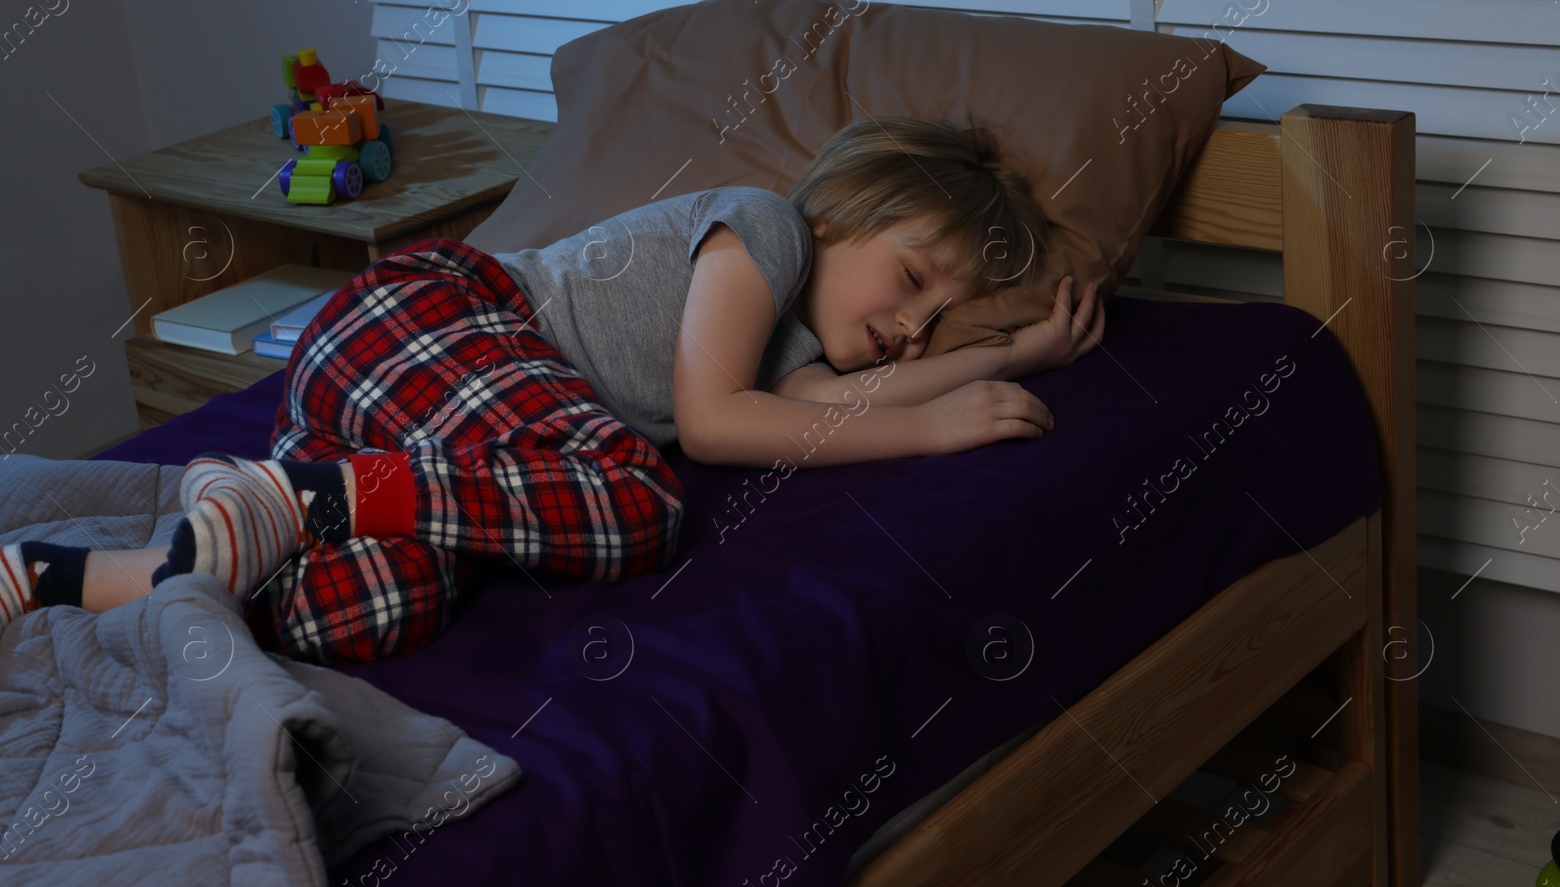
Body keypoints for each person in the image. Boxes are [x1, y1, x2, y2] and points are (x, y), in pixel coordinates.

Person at [0, 115, 1104, 663]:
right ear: (838, 214)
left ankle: (68, 573)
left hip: (409, 420)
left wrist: (1002, 359)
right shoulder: (760, 230)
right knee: (635, 501)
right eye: (910, 280)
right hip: (434, 316)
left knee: (370, 607)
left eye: (928, 321)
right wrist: (929, 432)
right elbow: (720, 428)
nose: (908, 329)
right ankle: (307, 497)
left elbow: (823, 414)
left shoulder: (795, 359)